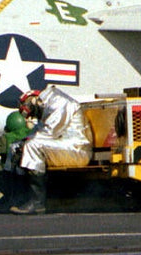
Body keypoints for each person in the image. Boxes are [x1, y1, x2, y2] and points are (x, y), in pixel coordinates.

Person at [11, 85, 92, 215]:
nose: (33, 117)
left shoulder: (59, 102)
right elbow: (38, 132)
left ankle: (37, 202)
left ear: (33, 101)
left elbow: (51, 132)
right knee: (15, 146)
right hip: (62, 144)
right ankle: (15, 197)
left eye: (31, 113)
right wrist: (20, 144)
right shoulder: (47, 105)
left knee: (32, 146)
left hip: (77, 148)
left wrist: (26, 142)